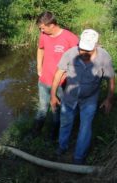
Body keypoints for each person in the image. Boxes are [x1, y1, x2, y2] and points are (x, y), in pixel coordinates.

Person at [50, 29, 115, 164]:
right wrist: (53, 95)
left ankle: (79, 157)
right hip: (69, 96)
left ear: (96, 45)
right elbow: (58, 74)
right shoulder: (70, 54)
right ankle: (62, 147)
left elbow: (111, 78)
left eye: (88, 51)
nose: (83, 53)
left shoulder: (104, 57)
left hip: (90, 99)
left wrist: (109, 99)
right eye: (82, 49)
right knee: (65, 123)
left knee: (85, 127)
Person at [34, 11, 79, 140]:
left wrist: (69, 74)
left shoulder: (70, 38)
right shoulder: (43, 35)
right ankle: (35, 133)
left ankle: (53, 136)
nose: (41, 31)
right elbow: (40, 49)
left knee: (57, 111)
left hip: (61, 83)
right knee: (42, 108)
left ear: (52, 25)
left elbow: (79, 59)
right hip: (44, 80)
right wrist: (39, 67)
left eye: (43, 28)